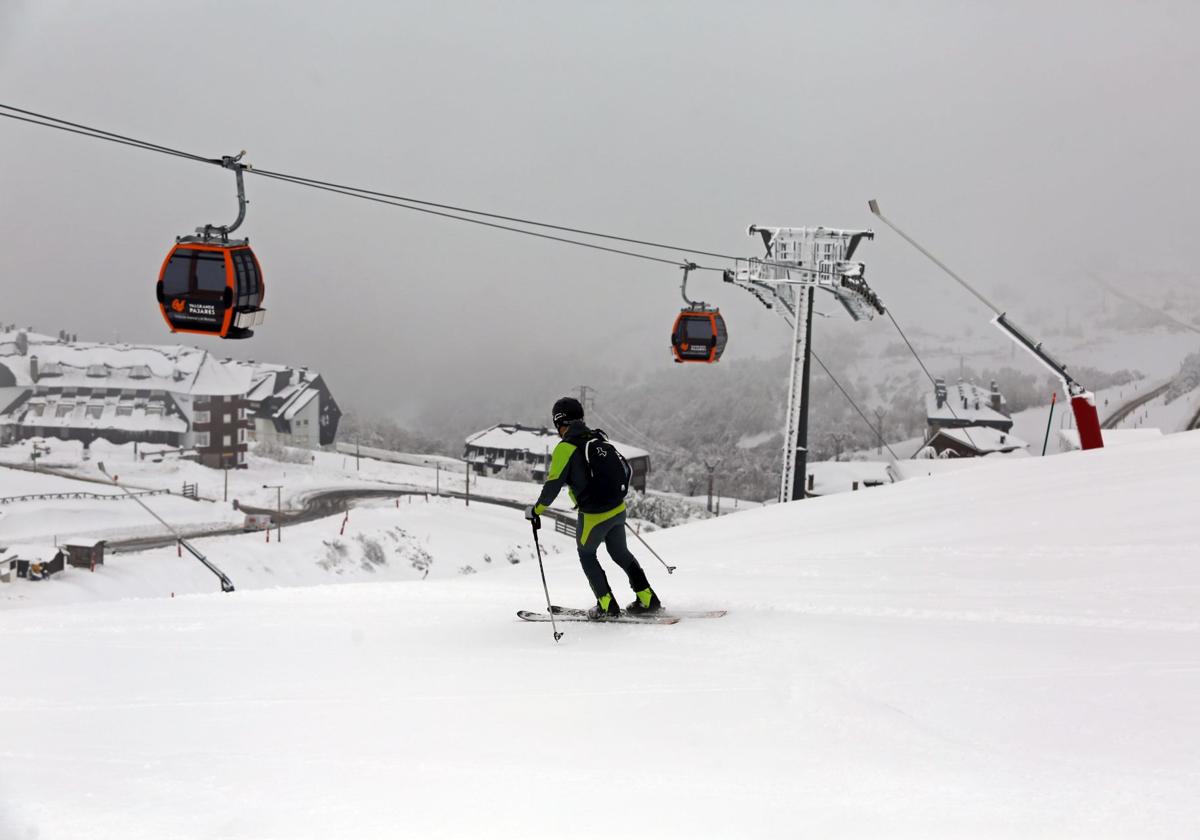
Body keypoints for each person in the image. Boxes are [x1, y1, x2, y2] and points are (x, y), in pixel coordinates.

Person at [524, 396, 661, 619]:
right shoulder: (598, 437)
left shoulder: (565, 448)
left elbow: (551, 488)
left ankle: (607, 605)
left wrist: (535, 511)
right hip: (618, 509)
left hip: (594, 516)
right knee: (620, 553)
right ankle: (648, 599)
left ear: (560, 422)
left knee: (587, 555)